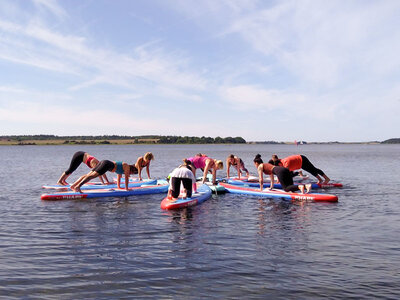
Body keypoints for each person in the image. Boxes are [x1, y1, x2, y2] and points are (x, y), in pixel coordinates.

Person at [70, 160, 137, 193]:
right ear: (132, 170)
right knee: (92, 176)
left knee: (88, 175)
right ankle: (78, 187)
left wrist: (119, 187)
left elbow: (119, 176)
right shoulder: (127, 167)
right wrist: (127, 189)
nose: (131, 174)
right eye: (133, 173)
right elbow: (126, 179)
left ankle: (73, 186)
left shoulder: (123, 168)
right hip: (106, 165)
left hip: (104, 162)